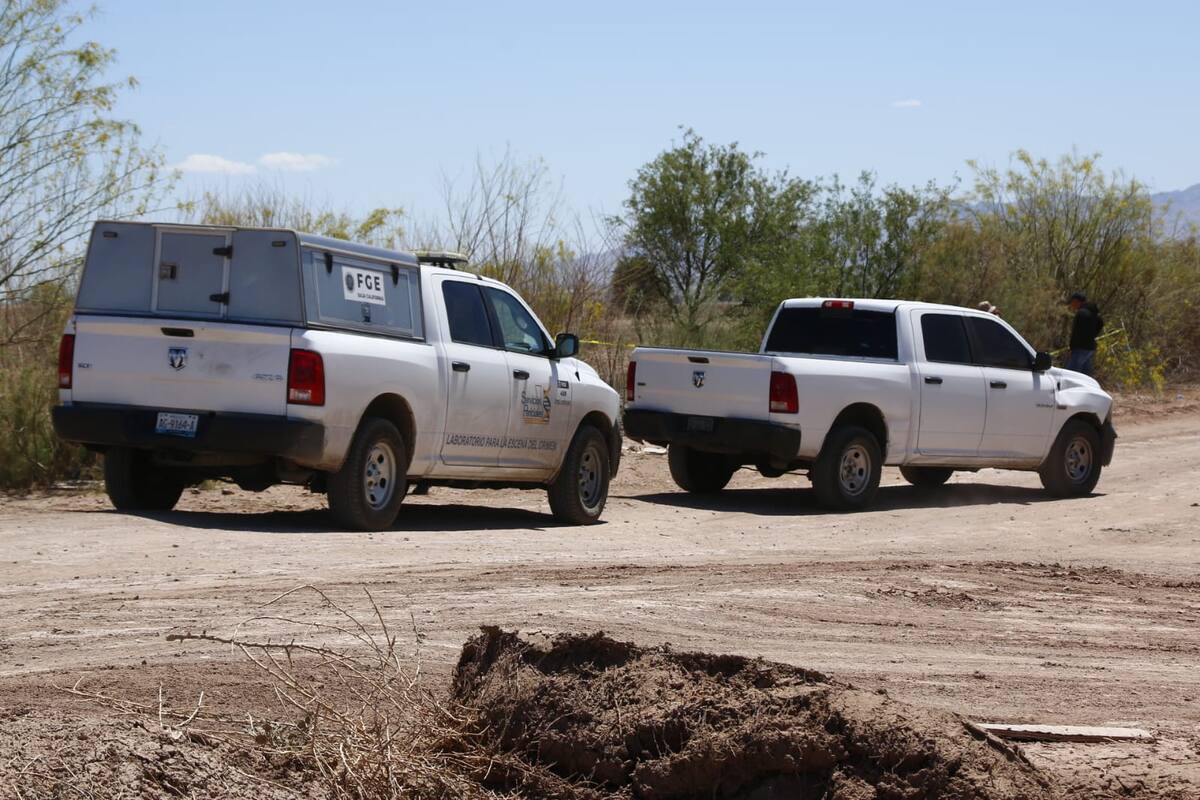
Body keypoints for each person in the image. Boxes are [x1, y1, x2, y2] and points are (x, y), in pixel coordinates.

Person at [1065, 292, 1103, 376]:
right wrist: (1092, 335)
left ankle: (1071, 389)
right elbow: (1100, 323)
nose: (1071, 305)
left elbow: (1076, 333)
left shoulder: (1081, 313)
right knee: (1085, 374)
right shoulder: (1093, 312)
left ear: (1076, 301)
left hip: (1080, 348)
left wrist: (1071, 348)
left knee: (1070, 374)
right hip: (1090, 348)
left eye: (1071, 303)